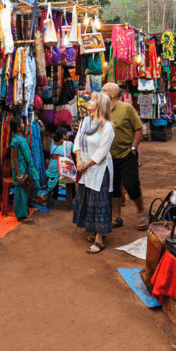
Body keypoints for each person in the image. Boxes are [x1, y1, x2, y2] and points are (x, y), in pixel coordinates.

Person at [72, 92, 115, 254]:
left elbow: (102, 152)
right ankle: (93, 231)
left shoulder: (108, 127)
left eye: (92, 100)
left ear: (99, 105)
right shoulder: (85, 122)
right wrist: (78, 160)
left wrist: (86, 164)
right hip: (85, 167)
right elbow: (77, 141)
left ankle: (99, 240)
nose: (89, 102)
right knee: (88, 198)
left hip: (99, 169)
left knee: (99, 202)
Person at [105, 83, 147, 230]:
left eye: (104, 90)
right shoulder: (101, 110)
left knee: (131, 184)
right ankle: (117, 217)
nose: (100, 92)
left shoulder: (126, 108)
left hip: (126, 154)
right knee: (113, 186)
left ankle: (142, 213)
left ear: (113, 94)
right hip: (109, 156)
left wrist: (133, 148)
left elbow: (139, 128)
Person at [8, 114, 38, 224]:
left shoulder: (21, 137)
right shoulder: (15, 140)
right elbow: (14, 158)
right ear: (17, 127)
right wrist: (19, 174)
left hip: (25, 167)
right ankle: (21, 216)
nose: (23, 124)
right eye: (21, 123)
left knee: (29, 188)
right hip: (20, 169)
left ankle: (24, 212)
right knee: (21, 191)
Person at [46, 127, 73, 200]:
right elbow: (74, 154)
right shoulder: (69, 144)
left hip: (51, 170)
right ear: (64, 135)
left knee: (56, 171)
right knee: (73, 174)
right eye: (67, 134)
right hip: (62, 171)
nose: (68, 135)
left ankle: (54, 196)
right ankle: (71, 197)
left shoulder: (52, 143)